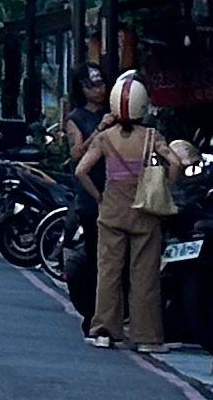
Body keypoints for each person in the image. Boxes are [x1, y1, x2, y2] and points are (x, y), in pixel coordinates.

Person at [72, 69, 190, 351]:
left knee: (108, 272)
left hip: (111, 208)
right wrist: (165, 187)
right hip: (144, 209)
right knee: (144, 275)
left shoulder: (106, 137)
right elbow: (175, 163)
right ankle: (146, 336)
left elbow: (80, 170)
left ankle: (102, 331)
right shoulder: (151, 136)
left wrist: (99, 197)